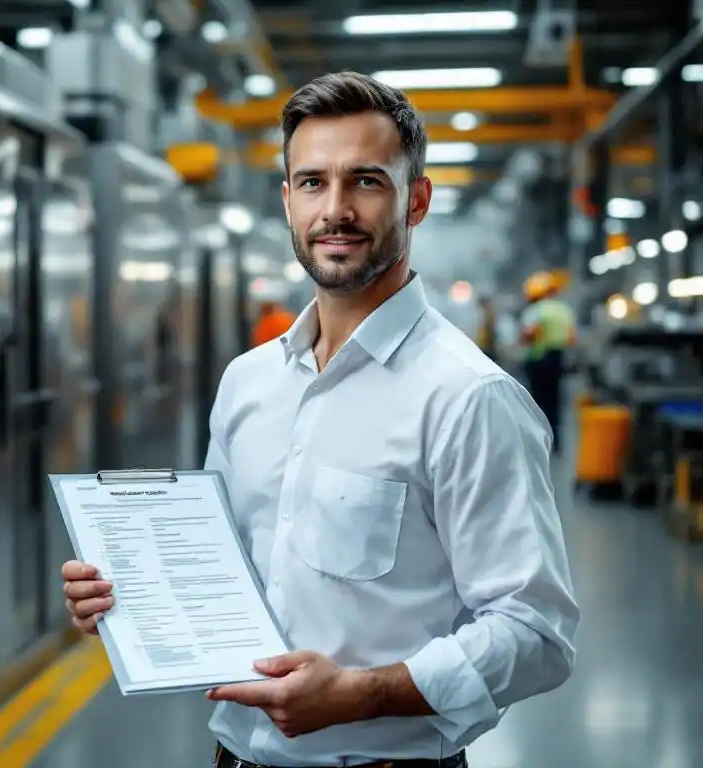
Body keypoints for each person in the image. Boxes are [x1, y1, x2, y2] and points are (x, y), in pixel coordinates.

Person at [62, 71, 579, 768]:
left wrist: (365, 694)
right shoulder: (248, 382)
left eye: (366, 181)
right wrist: (129, 595)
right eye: (312, 182)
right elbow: (229, 571)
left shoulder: (466, 397)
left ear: (416, 200)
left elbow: (536, 632)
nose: (335, 209)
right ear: (287, 200)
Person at [519, 271, 577, 454]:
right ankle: (556, 443)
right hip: (557, 361)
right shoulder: (564, 310)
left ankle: (538, 441)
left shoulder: (536, 311)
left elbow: (528, 335)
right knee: (555, 403)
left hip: (538, 361)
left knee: (536, 403)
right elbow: (571, 338)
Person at [475, 296, 498, 364]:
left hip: (487, 347)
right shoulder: (484, 315)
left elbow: (491, 332)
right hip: (484, 346)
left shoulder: (489, 315)